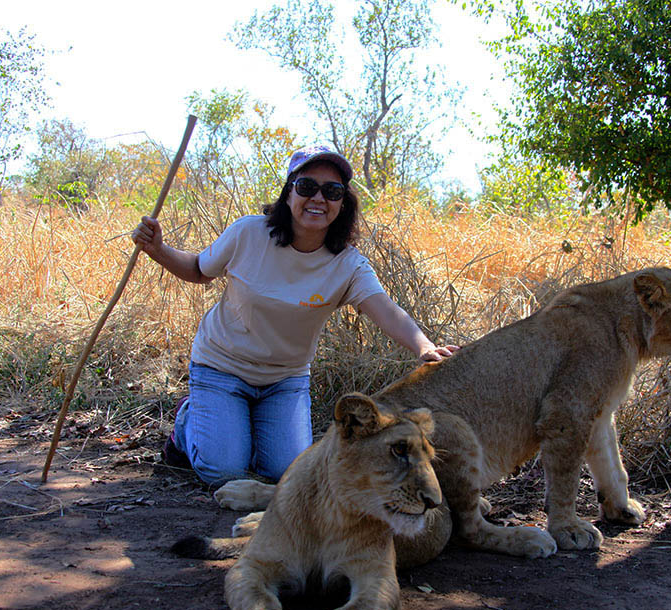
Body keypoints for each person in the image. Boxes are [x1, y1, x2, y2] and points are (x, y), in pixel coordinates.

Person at [131, 145, 457, 487]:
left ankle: (236, 428)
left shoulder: (348, 264)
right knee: (224, 474)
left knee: (284, 474)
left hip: (284, 382)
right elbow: (199, 270)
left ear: (342, 204)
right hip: (221, 368)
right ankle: (189, 422)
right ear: (289, 193)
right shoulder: (248, 234)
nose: (318, 198)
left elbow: (387, 311)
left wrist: (424, 347)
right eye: (306, 187)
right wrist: (157, 250)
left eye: (332, 191)